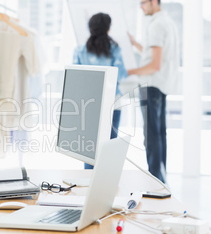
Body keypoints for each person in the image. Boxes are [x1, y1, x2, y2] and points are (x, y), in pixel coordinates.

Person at [127, 0, 178, 183]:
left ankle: (155, 181)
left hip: (151, 85)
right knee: (159, 133)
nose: (141, 6)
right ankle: (160, 179)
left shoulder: (156, 25)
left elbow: (154, 65)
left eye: (143, 3)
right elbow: (155, 55)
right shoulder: (168, 23)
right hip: (162, 85)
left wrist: (129, 71)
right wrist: (135, 44)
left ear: (154, 2)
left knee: (151, 136)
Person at [73, 12, 128, 169]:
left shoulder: (80, 50)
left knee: (89, 151)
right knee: (109, 149)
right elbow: (121, 73)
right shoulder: (114, 49)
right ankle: (106, 186)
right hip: (113, 103)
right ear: (108, 29)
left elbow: (75, 78)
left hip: (88, 105)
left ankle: (88, 187)